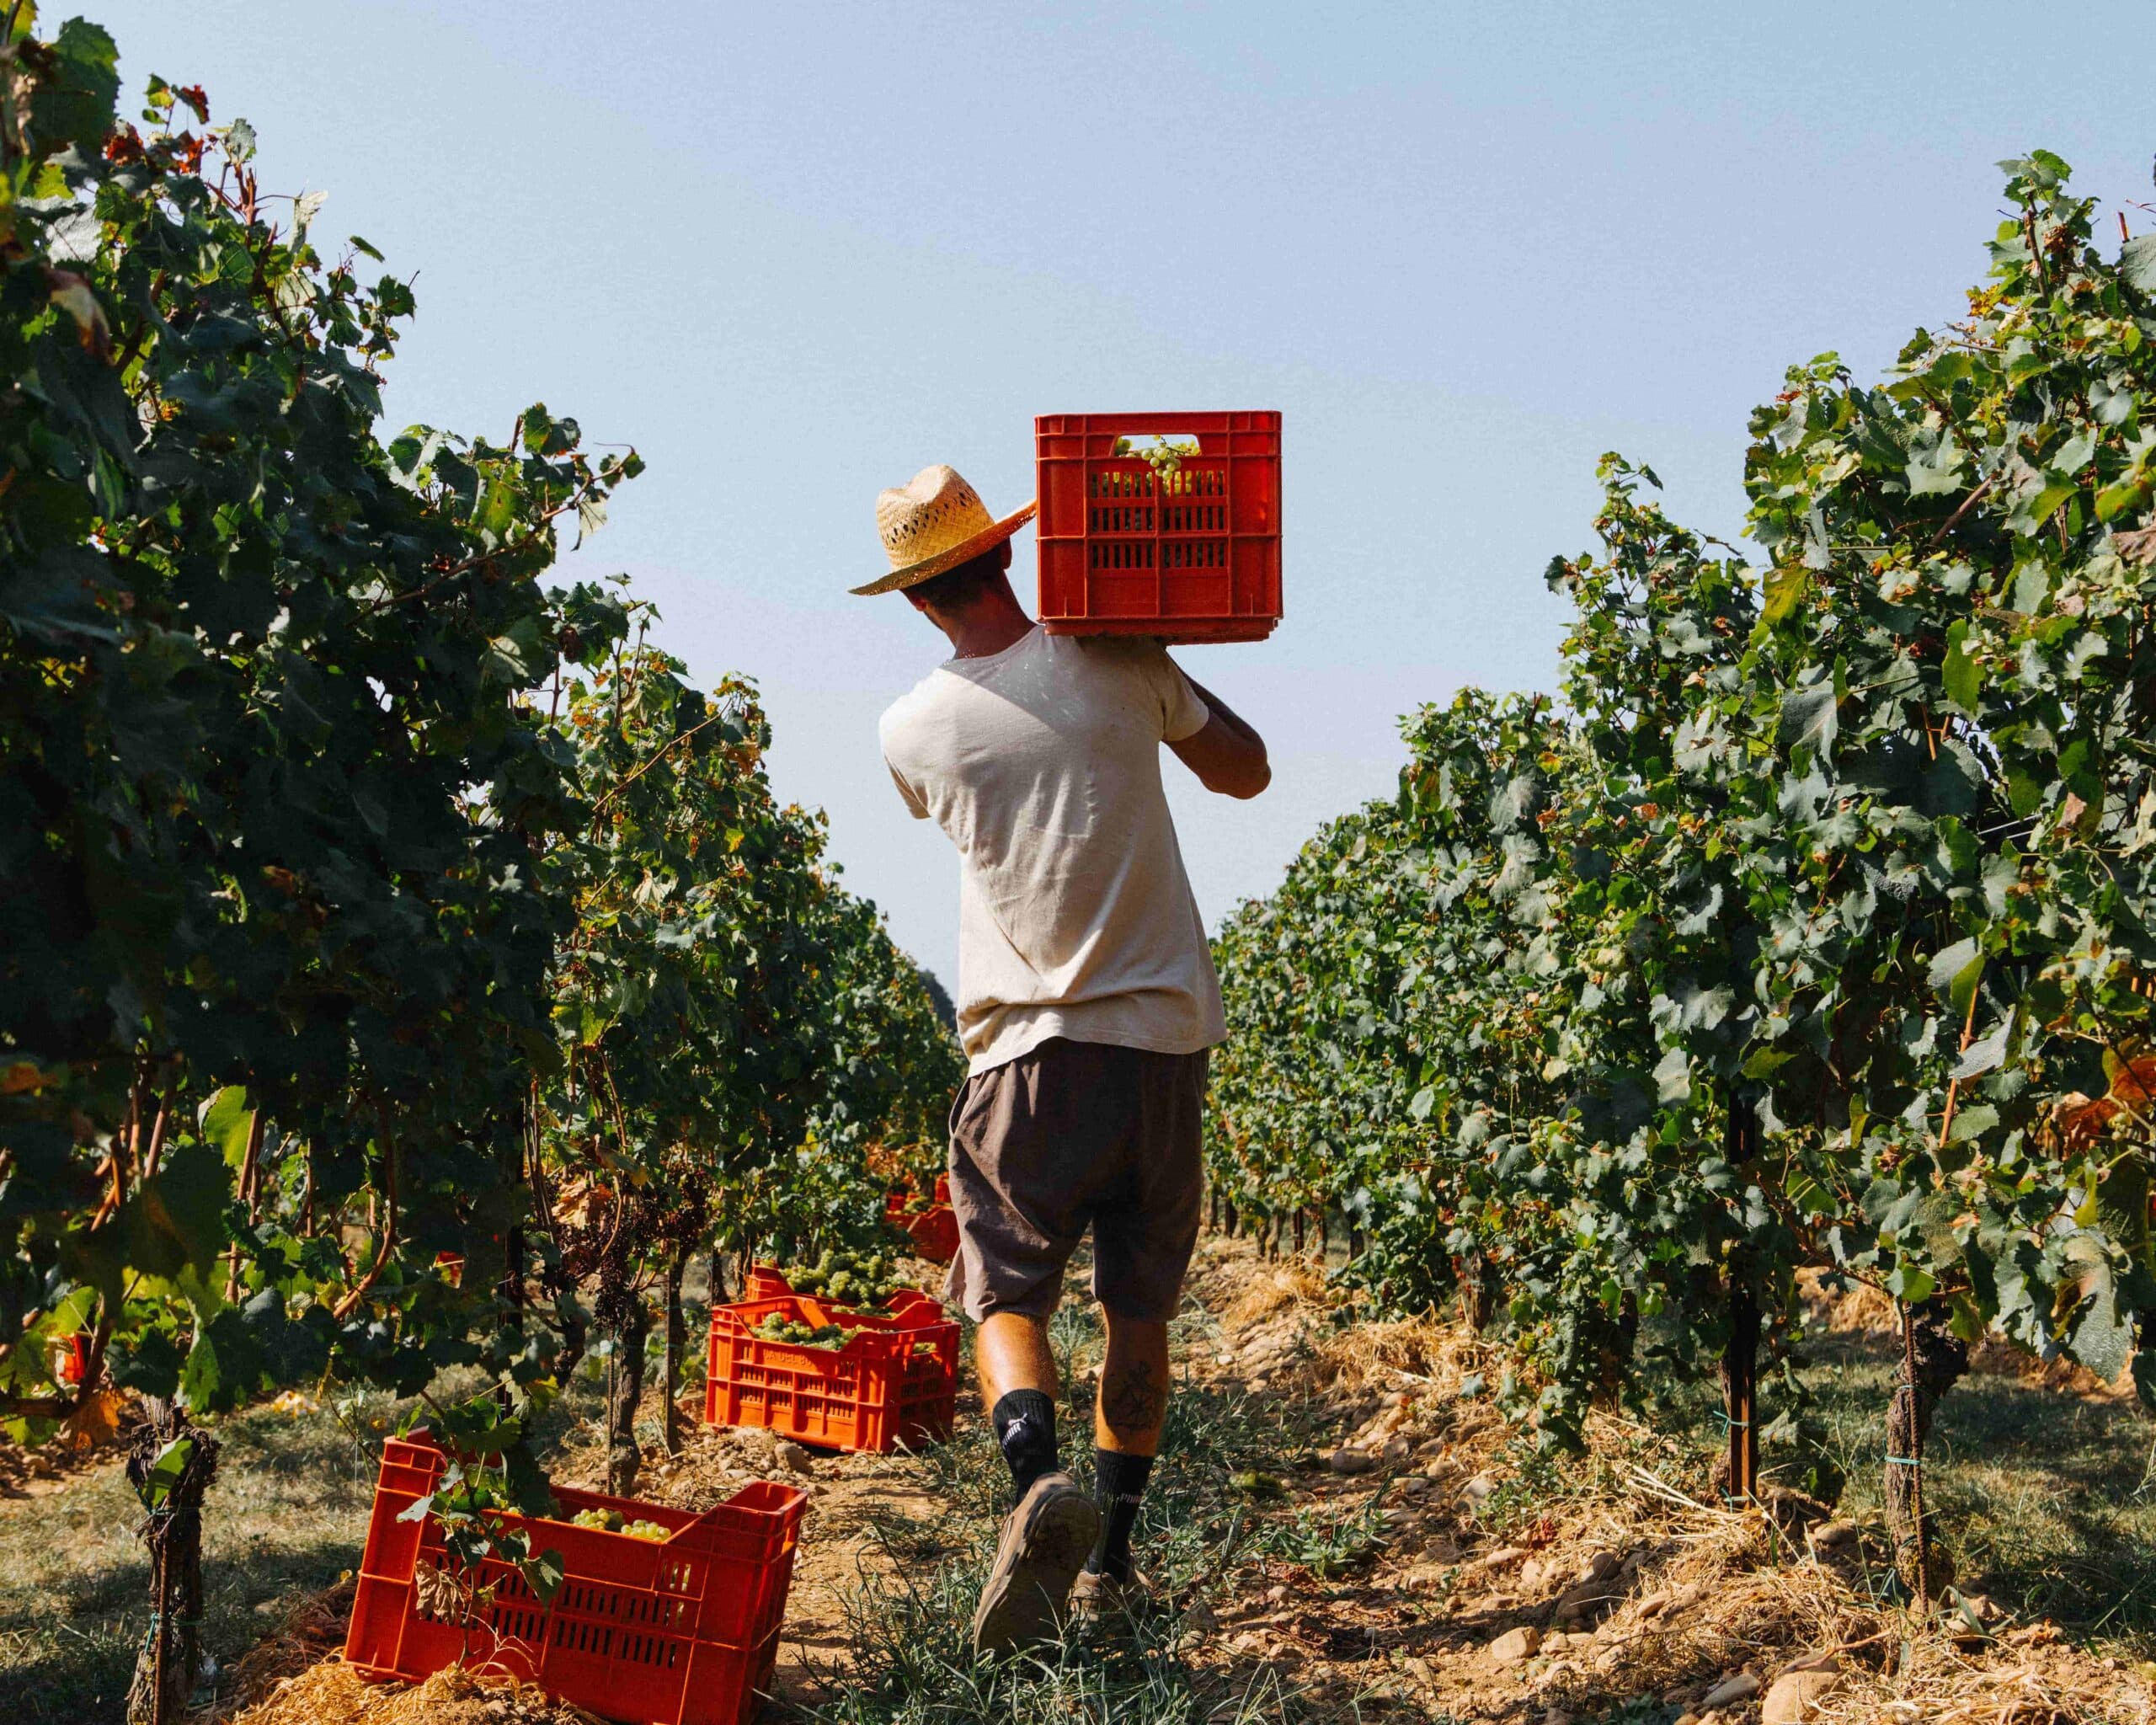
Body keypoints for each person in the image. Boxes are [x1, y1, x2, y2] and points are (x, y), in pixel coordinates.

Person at [857, 463, 1270, 1656]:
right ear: (1009, 554)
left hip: (1021, 1054)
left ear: (916, 599)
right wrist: (1159, 661)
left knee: (1003, 1290)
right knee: (1138, 1310)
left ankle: (1034, 1481)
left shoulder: (908, 730)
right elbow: (1245, 770)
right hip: (1159, 1045)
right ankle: (1113, 1568)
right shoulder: (1118, 661)